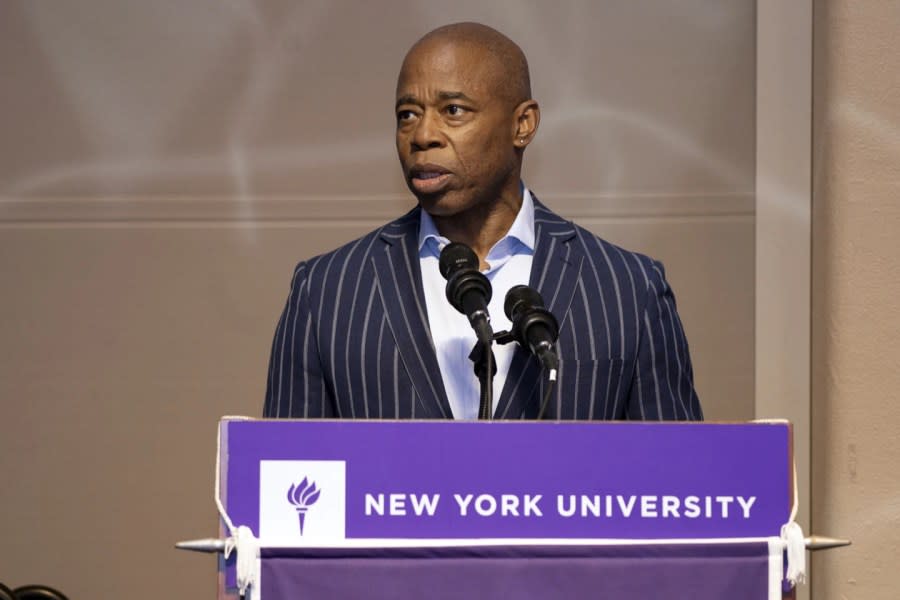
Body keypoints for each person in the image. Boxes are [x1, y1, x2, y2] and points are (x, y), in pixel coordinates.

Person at [263, 22, 702, 421]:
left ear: (523, 124)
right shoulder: (326, 292)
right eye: (407, 115)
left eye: (453, 110)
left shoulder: (628, 289)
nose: (422, 135)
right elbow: (280, 481)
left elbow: (678, 483)